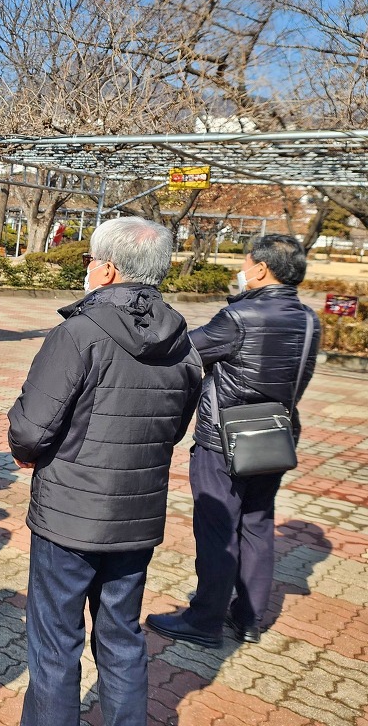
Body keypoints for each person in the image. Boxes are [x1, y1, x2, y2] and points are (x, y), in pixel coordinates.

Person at [7, 217, 201, 726]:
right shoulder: (183, 342)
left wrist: (27, 450)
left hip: (69, 514)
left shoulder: (78, 333)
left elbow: (29, 429)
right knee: (122, 635)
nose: (88, 269)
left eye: (91, 260)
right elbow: (174, 427)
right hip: (136, 512)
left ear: (109, 270)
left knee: (55, 642)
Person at [146, 235, 319, 647]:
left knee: (218, 527)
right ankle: (249, 618)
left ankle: (204, 619)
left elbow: (187, 350)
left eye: (245, 264)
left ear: (260, 268)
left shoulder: (240, 316)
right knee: (257, 523)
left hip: (224, 437)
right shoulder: (310, 319)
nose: (242, 270)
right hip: (275, 434)